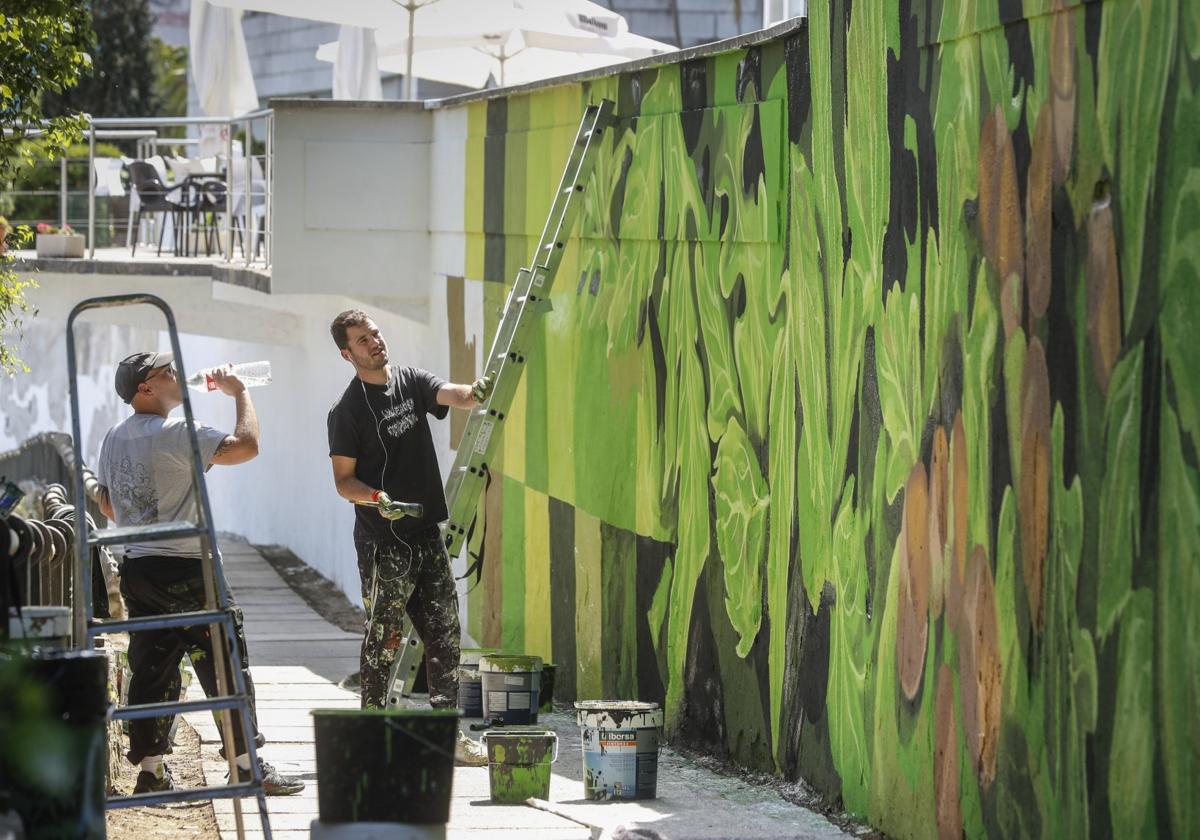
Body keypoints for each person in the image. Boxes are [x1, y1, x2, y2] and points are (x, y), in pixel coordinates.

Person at [96, 351, 303, 796]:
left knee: (153, 668)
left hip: (139, 568)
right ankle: (246, 767)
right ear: (144, 388)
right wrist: (240, 392)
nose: (175, 375)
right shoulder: (177, 431)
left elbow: (110, 506)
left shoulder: (113, 437)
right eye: (164, 372)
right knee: (224, 664)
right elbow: (246, 446)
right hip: (190, 569)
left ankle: (150, 773)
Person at [326, 309, 492, 766]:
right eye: (363, 340)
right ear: (348, 353)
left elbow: (452, 394)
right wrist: (378, 498)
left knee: (444, 635)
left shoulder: (410, 380)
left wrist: (475, 391)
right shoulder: (348, 411)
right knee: (384, 637)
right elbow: (343, 481)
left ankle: (448, 736)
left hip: (424, 534)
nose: (374, 342)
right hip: (384, 542)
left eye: (375, 333)